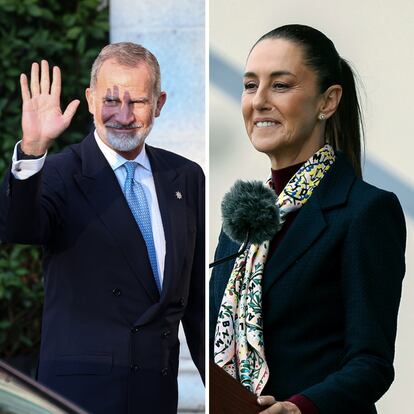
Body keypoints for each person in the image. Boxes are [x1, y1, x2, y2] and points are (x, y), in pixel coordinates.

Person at [210, 24, 406, 414]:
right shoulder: (243, 220)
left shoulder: (365, 211)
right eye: (250, 86)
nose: (259, 100)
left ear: (328, 101)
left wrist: (300, 408)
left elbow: (371, 363)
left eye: (280, 85)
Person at [0, 42, 205, 414]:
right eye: (111, 100)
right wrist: (31, 150)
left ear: (159, 103)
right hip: (77, 399)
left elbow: (196, 305)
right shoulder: (60, 172)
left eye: (138, 102)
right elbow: (18, 228)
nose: (123, 116)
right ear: (91, 100)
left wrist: (224, 394)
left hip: (155, 396)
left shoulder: (185, 177)